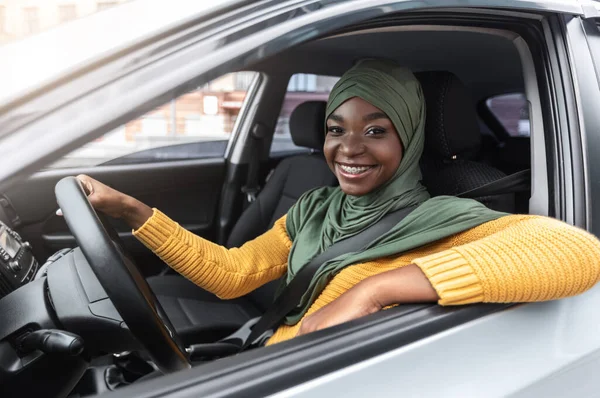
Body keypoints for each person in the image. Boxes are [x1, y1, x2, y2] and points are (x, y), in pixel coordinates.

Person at [74, 60, 600, 346]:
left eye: (376, 130)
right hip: (265, 354)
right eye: (335, 129)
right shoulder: (316, 207)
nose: (348, 149)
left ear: (411, 139)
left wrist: (375, 289)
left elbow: (577, 252)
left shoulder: (442, 220)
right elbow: (232, 274)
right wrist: (133, 213)